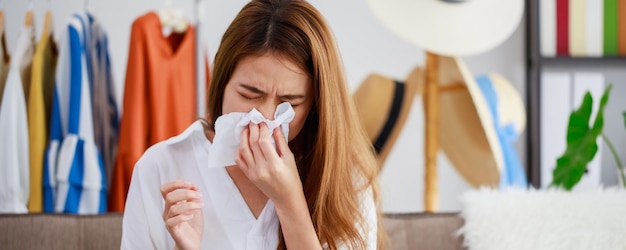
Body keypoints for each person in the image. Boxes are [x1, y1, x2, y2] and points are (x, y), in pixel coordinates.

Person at [121, 0, 384, 249]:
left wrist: (290, 202)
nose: (265, 119)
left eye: (290, 102)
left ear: (316, 105)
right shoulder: (160, 167)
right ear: (222, 83)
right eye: (249, 95)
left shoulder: (348, 181)